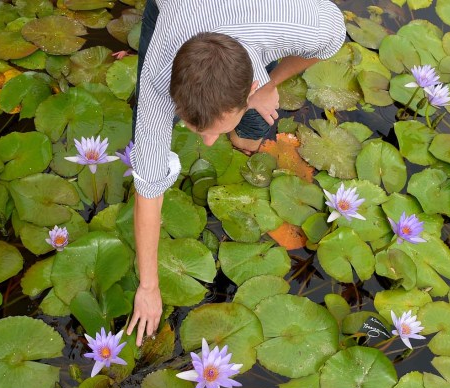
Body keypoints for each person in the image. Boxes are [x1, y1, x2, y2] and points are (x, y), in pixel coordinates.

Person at [126, 0, 346, 346]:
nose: (210, 143)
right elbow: (148, 192)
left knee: (249, 136)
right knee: (146, 139)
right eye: (196, 130)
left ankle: (246, 118)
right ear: (174, 95)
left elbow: (334, 37)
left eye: (215, 128)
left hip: (252, 24)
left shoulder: (298, 23)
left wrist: (272, 83)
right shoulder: (157, 82)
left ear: (248, 89)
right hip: (174, 7)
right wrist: (148, 286)